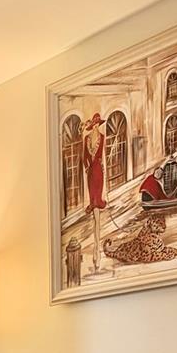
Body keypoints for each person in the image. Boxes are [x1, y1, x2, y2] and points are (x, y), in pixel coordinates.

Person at [82, 113, 107, 271]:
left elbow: (103, 156)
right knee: (94, 209)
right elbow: (84, 156)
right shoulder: (86, 139)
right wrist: (86, 166)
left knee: (97, 206)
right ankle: (96, 250)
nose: (97, 126)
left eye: (98, 124)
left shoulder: (102, 137)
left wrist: (101, 166)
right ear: (92, 126)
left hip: (98, 171)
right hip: (91, 171)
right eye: (95, 124)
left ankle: (97, 251)